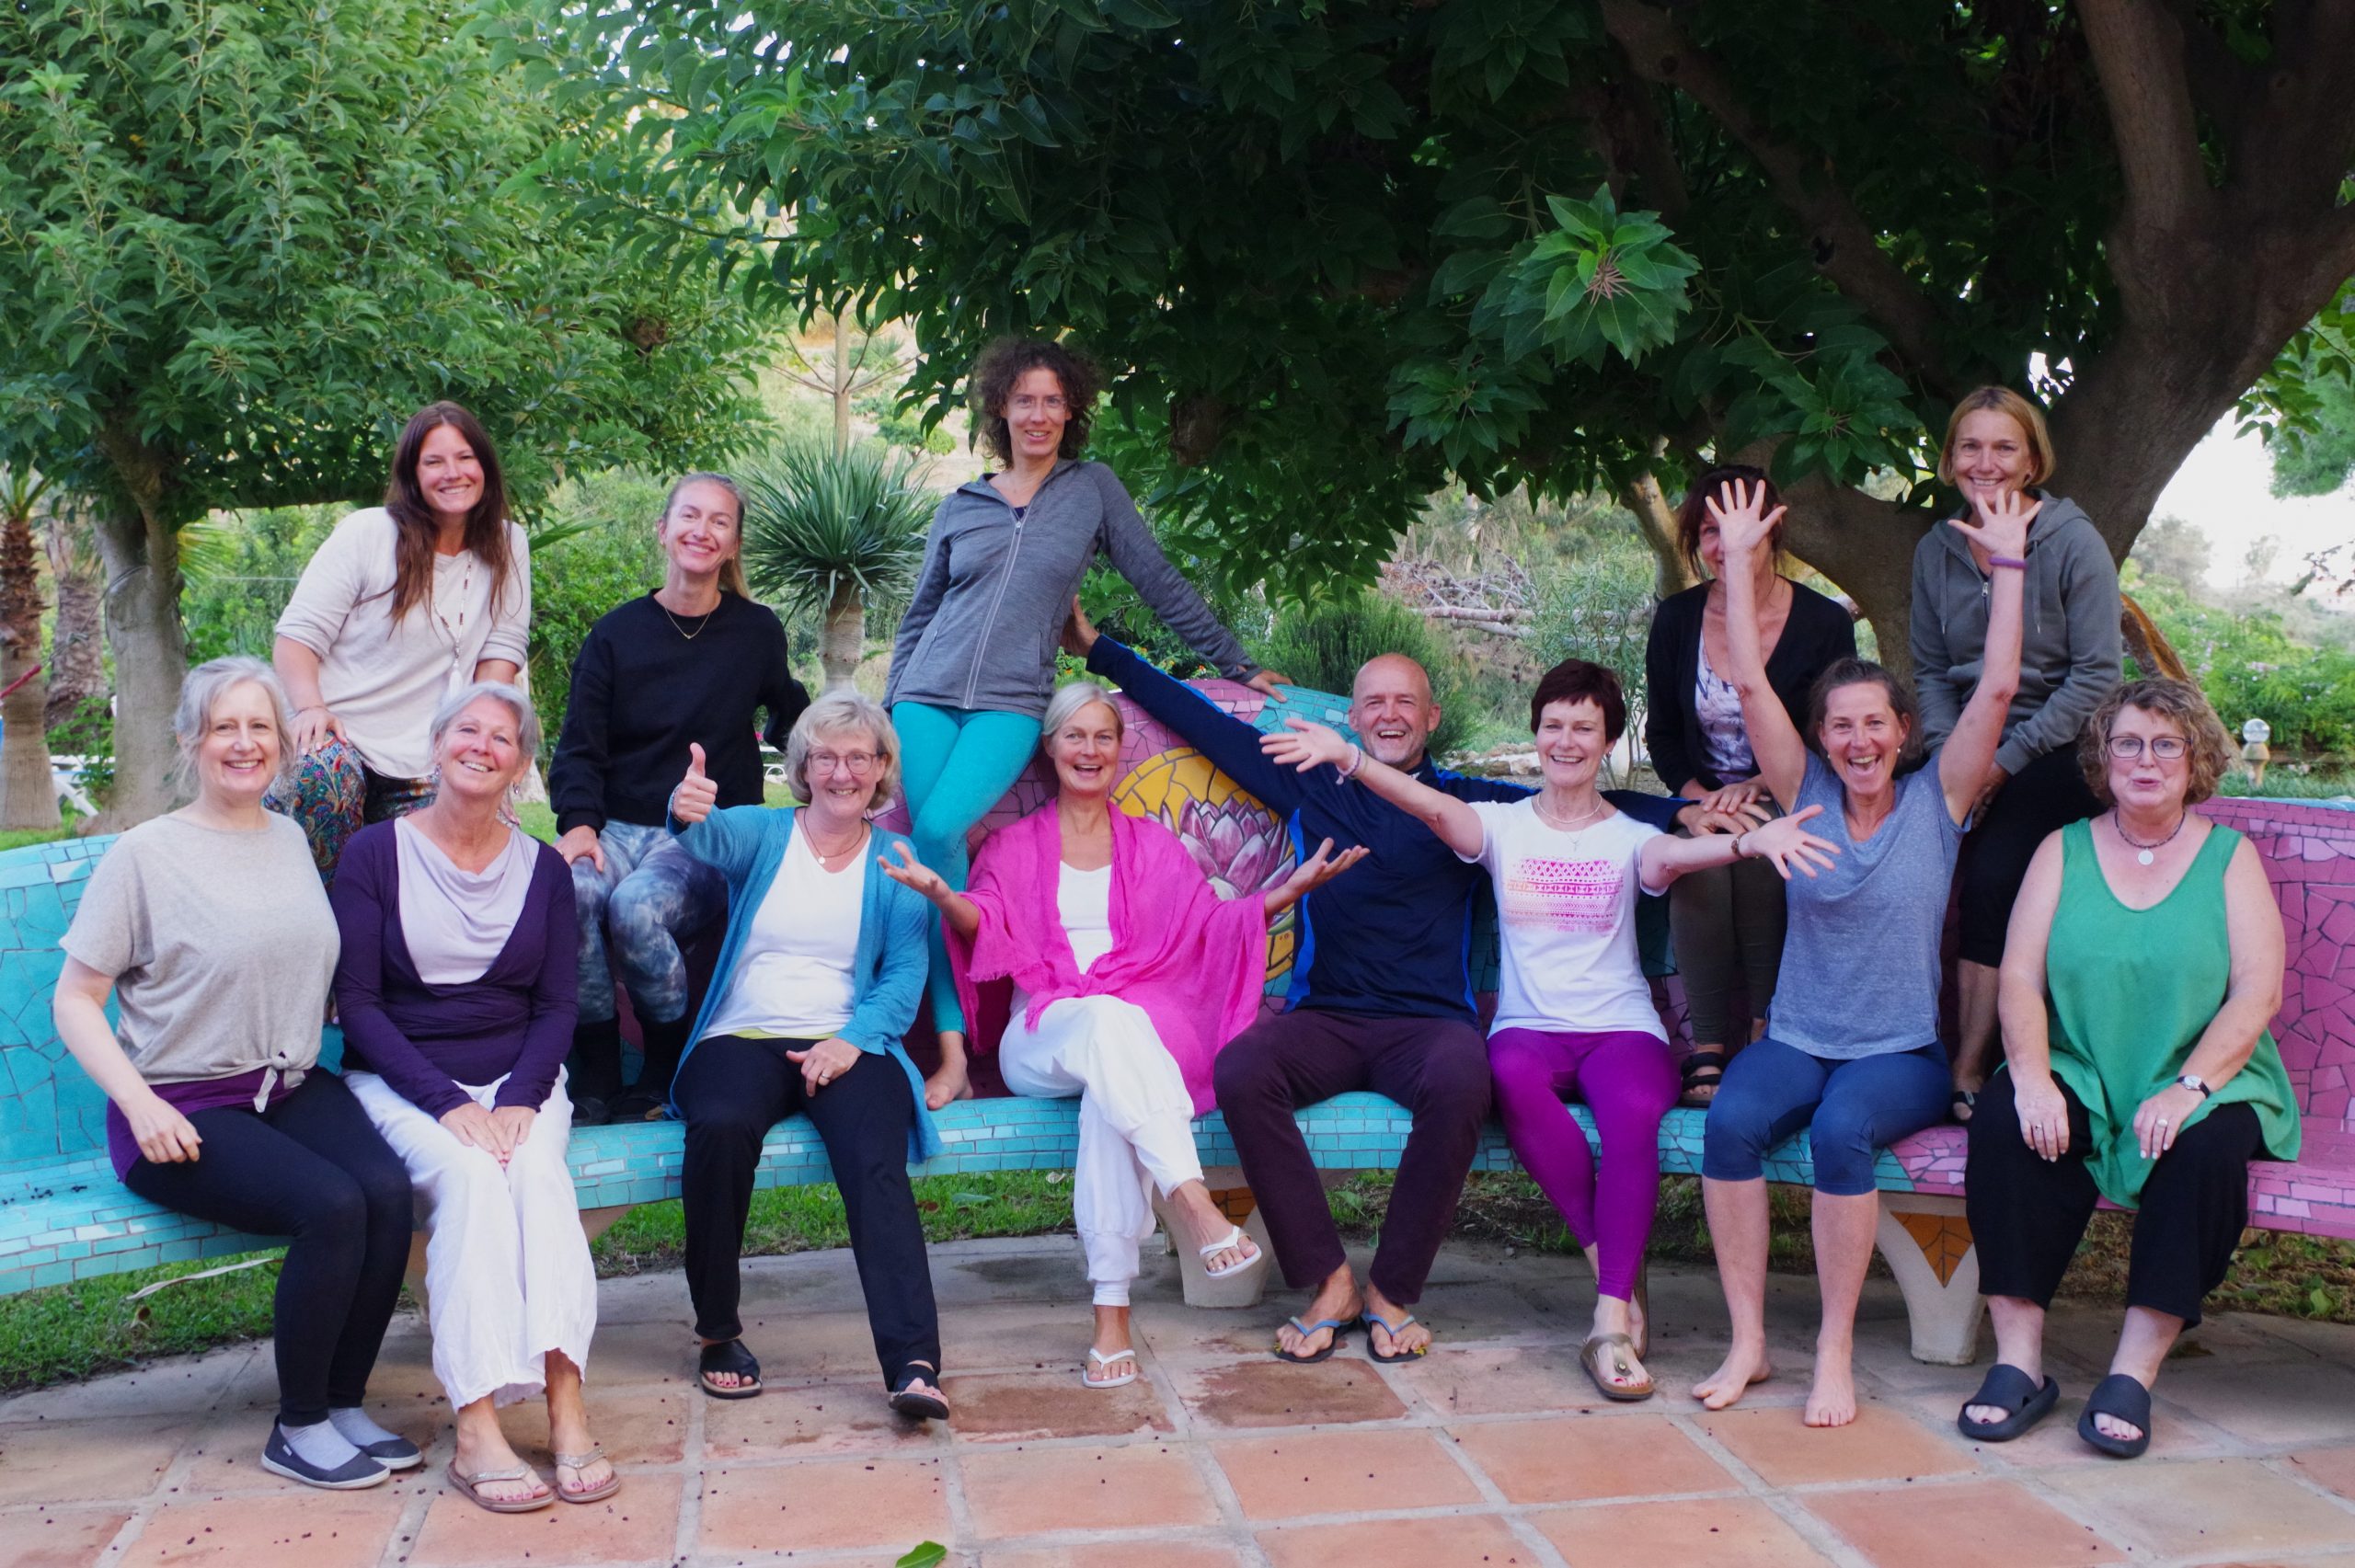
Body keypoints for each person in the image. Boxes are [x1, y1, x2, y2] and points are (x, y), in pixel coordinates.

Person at [1065, 601, 1729, 1364]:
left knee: (1465, 1079)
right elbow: (1198, 720)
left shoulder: (1469, 803)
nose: (1389, 714)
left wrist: (1686, 811)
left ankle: (1391, 1291)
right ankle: (1328, 1280)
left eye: (1405, 701)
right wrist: (1098, 648)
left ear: (1431, 717)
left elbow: (1586, 805)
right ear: (1351, 718)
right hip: (1329, 1015)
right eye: (1373, 701)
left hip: (1430, 1024)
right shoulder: (1311, 782)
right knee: (1244, 1070)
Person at [1268, 660, 1835, 1400]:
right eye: (1554, 725)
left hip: (1622, 1031)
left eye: (1584, 728)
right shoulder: (1500, 826)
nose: (1567, 741)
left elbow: (1673, 854)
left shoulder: (1630, 836)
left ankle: (1609, 1320)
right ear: (1536, 735)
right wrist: (1350, 758)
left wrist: (1746, 845)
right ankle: (1615, 1274)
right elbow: (1425, 802)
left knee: (1631, 1115)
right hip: (1528, 1030)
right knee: (1506, 1077)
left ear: (1608, 742)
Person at [883, 682, 1366, 1388]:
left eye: (1103, 736)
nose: (1089, 749)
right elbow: (986, 923)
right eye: (1074, 736)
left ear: (1117, 749)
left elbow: (1207, 925)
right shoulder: (1014, 847)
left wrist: (1285, 892)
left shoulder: (1152, 846)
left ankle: (1111, 1318)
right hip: (1039, 1036)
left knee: (1110, 1089)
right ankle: (1191, 1201)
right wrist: (943, 896)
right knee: (1110, 1019)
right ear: (1050, 748)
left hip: (1125, 1044)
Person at [1694, 476, 2027, 1427]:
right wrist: (1743, 558)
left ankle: (1832, 1349)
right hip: (1799, 1037)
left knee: (1842, 1129)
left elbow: (1998, 687)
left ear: (1902, 732)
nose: (1858, 738)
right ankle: (1749, 1340)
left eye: (1875, 721)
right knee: (1729, 1123)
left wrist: (2008, 563)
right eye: (1840, 724)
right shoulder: (1801, 791)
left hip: (1899, 1053)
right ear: (1821, 739)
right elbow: (1749, 682)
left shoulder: (1939, 799)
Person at [884, 337, 1285, 1109]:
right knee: (930, 853)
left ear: (1072, 412)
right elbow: (920, 613)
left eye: (1053, 401)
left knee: (937, 830)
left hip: (1010, 700)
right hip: (924, 695)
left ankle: (967, 1044)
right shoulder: (961, 503)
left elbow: (1157, 577)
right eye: (1024, 400)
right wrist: (889, 707)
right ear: (1001, 408)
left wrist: (1234, 662)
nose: (1038, 414)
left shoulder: (1091, 490)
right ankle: (953, 1051)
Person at [54, 658, 416, 1489]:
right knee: (330, 1205)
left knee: (388, 1191)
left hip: (284, 1085)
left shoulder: (288, 838)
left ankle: (343, 1402)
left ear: (282, 744)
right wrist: (139, 1103)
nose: (244, 743)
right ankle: (298, 1425)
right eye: (225, 726)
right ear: (192, 740)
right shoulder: (146, 855)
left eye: (260, 726)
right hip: (179, 1105)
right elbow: (75, 999)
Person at [1959, 680, 2297, 1457]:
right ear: (2103, 757)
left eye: (2167, 744)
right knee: (2006, 1120)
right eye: (2129, 743)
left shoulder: (2228, 857)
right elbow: (2019, 977)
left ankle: (2132, 1374)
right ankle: (2018, 1364)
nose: (2147, 761)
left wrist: (2189, 1087)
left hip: (2205, 1073)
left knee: (2203, 1151)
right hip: (2082, 1061)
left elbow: (2259, 989)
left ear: (2196, 758)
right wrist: (2032, 1075)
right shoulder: (2062, 849)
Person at [331, 683, 612, 1514]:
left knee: (538, 1177)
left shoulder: (544, 869)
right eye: (468, 730)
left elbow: (556, 1005)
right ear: (437, 745)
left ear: (520, 766)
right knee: (472, 1179)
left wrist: (522, 1096)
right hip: (400, 1082)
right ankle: (478, 1423)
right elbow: (359, 1005)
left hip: (519, 1079)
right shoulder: (372, 855)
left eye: (502, 738)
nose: (482, 746)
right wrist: (447, 1102)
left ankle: (566, 1401)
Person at [664, 692, 948, 1420]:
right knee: (720, 1125)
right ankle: (718, 1332)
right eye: (826, 756)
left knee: (875, 1155)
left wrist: (849, 1040)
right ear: (803, 765)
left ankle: (913, 1362)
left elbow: (903, 977)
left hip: (851, 1038)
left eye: (858, 757)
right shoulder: (764, 833)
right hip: (743, 1032)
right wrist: (686, 809)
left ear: (881, 768)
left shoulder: (897, 862)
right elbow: (706, 837)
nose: (842, 772)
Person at [548, 473, 810, 1124]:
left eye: (720, 521)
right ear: (663, 530)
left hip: (705, 833)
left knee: (637, 908)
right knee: (572, 892)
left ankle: (667, 1061)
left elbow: (791, 713)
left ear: (733, 545)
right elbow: (579, 744)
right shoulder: (615, 635)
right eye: (690, 516)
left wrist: (831, 767)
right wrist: (579, 825)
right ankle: (597, 1063)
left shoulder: (756, 631)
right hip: (617, 826)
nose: (703, 530)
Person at [1910, 387, 2121, 1120]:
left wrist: (2003, 761)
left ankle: (1970, 1064)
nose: (1986, 462)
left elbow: (2097, 677)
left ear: (2033, 461)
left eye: (2005, 447)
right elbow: (1931, 672)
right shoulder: (1936, 549)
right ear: (1949, 459)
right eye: (1970, 445)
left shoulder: (2072, 541)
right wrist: (1954, 757)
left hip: (2058, 743)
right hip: (1969, 743)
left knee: (1995, 873)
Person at [1645, 466, 1857, 1104]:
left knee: (1770, 849)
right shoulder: (1677, 618)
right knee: (1703, 857)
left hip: (1794, 788)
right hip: (1703, 794)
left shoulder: (1823, 620)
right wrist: (1698, 798)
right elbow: (1662, 732)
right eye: (1709, 531)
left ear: (1773, 531)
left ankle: (1767, 1029)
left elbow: (1831, 728)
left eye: (1739, 530)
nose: (1723, 545)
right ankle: (1707, 1046)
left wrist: (1764, 784)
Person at [272, 401, 532, 886]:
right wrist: (310, 708)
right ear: (413, 474)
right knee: (323, 775)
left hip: (426, 756)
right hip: (342, 738)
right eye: (434, 461)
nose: (452, 473)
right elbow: (296, 638)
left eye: (465, 458)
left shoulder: (507, 543)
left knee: (484, 832)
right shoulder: (370, 532)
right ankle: (323, 918)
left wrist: (482, 748)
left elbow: (501, 655)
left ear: (486, 467)